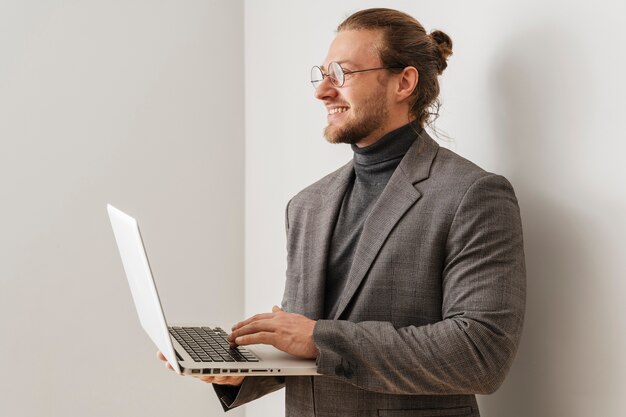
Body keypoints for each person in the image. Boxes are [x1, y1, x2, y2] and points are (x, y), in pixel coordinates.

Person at [159, 7, 526, 417]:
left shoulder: (472, 195)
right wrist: (243, 373)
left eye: (342, 73)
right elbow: (309, 347)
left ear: (404, 82)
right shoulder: (307, 205)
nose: (322, 91)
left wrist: (320, 337)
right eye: (321, 74)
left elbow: (480, 354)